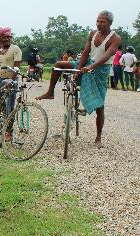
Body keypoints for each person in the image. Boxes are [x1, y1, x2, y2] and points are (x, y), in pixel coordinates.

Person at [36, 10, 121, 149]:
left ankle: (98, 137)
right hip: (86, 63)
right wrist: (79, 70)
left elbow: (106, 56)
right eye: (98, 21)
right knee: (58, 65)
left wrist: (91, 67)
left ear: (109, 23)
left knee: (100, 105)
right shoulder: (92, 34)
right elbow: (86, 52)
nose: (98, 24)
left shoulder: (115, 38)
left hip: (100, 69)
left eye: (102, 22)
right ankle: (50, 92)